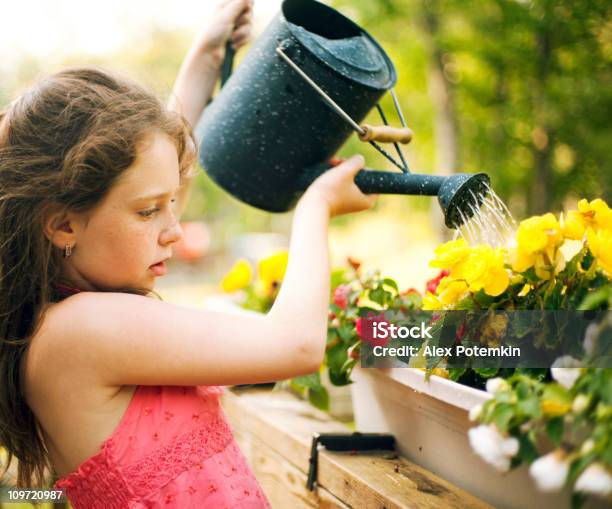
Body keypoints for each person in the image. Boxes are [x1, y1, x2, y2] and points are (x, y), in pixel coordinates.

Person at [0, 0, 377, 507]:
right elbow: (297, 346)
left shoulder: (71, 319)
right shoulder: (81, 330)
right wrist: (316, 208)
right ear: (64, 224)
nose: (174, 229)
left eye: (172, 202)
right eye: (150, 212)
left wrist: (203, 59)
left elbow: (140, 177)